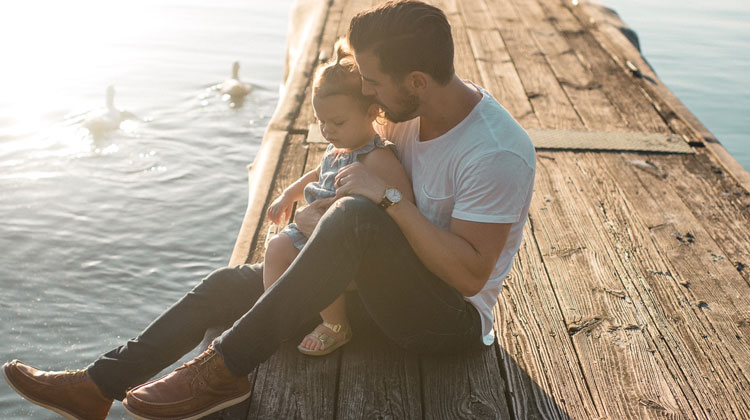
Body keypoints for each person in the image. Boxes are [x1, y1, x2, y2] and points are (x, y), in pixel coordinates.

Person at [2, 1, 536, 419]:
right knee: (225, 286)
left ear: (416, 81)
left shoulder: (495, 151)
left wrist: (387, 199)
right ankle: (96, 387)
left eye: (373, 82)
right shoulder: (403, 112)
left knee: (354, 219)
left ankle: (225, 370)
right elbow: (352, 165)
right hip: (373, 288)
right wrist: (319, 200)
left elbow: (468, 277)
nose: (366, 92)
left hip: (443, 321)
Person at [264, 41, 414, 356]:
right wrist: (287, 196)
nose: (328, 131)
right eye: (323, 123)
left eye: (338, 123)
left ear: (372, 112)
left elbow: (404, 202)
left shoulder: (377, 157)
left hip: (346, 245)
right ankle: (276, 315)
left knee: (319, 265)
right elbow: (317, 174)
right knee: (276, 247)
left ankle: (336, 324)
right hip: (313, 227)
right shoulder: (338, 148)